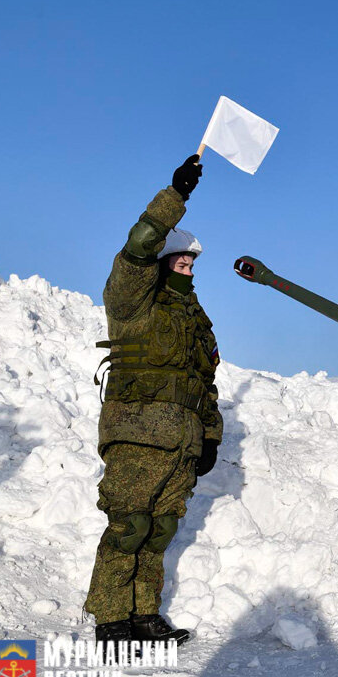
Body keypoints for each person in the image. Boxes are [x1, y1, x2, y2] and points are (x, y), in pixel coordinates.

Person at [85, 154, 222, 648]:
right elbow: (137, 245)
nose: (187, 264)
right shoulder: (133, 302)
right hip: (137, 433)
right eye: (180, 257)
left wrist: (208, 438)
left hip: (179, 442)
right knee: (129, 525)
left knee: (159, 529)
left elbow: (204, 387)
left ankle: (143, 616)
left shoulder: (195, 320)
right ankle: (110, 620)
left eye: (192, 260)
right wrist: (176, 196)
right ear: (162, 260)